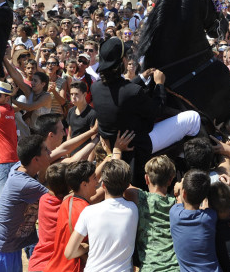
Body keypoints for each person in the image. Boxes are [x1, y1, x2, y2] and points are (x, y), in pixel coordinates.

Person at [91, 37, 201, 187]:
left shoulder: (95, 87)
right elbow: (157, 110)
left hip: (114, 144)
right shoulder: (132, 92)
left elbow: (119, 88)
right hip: (139, 144)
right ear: (121, 61)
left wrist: (141, 78)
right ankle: (186, 159)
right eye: (126, 57)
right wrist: (159, 84)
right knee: (193, 118)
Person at [0, 135, 50, 271]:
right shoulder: (25, 184)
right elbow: (60, 199)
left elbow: (63, 151)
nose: (50, 153)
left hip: (11, 247)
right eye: (46, 150)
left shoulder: (21, 167)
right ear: (35, 159)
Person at [65, 159, 138, 271]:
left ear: (103, 185)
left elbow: (69, 253)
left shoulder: (88, 211)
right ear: (127, 185)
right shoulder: (133, 209)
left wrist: (87, 248)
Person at [124, 155, 180, 271]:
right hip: (175, 268)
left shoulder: (138, 197)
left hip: (150, 268)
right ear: (170, 180)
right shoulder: (177, 203)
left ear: (146, 179)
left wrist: (115, 151)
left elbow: (119, 180)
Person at [44, 161, 97, 272]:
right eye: (95, 178)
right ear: (84, 184)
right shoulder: (87, 212)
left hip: (54, 267)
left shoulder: (66, 201)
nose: (97, 182)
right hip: (72, 269)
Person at [170, 169, 221, 272]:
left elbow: (180, 201)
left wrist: (179, 188)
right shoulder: (210, 217)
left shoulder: (175, 213)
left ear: (183, 193)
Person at [66, 81, 97, 154]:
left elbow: (94, 141)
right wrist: (67, 153)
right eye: (71, 94)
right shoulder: (70, 111)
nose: (73, 97)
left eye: (76, 94)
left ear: (85, 94)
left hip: (85, 155)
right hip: (72, 154)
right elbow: (69, 135)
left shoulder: (92, 114)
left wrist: (90, 160)